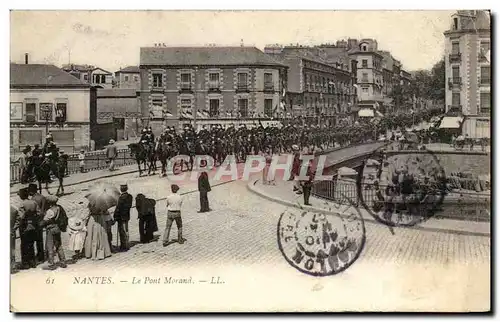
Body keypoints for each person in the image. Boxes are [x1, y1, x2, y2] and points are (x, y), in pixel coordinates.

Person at [39, 195, 67, 270]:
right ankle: (63, 261)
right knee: (59, 245)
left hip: (51, 229)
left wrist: (40, 223)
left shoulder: (50, 211)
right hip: (57, 228)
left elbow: (45, 221)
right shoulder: (58, 208)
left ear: (49, 202)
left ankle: (51, 263)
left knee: (50, 246)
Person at [17, 188, 39, 269]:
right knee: (31, 244)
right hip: (33, 225)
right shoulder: (34, 202)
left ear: (22, 196)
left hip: (25, 227)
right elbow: (38, 213)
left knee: (24, 245)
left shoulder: (22, 204)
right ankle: (32, 262)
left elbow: (21, 217)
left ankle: (25, 263)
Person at [27, 183, 46, 263]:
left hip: (35, 221)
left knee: (33, 239)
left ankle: (37, 256)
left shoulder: (33, 199)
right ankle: (41, 255)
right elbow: (44, 210)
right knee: (40, 240)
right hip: (41, 220)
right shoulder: (42, 197)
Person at [113, 184, 133, 251]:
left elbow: (118, 208)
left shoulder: (121, 198)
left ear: (121, 189)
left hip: (121, 218)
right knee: (126, 230)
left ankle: (124, 246)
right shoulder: (130, 196)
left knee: (122, 231)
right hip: (126, 216)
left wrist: (115, 217)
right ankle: (127, 244)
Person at [11, 206, 20, 272]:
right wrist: (14, 228)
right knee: (12, 249)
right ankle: (13, 266)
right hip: (11, 232)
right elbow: (18, 220)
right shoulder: (13, 209)